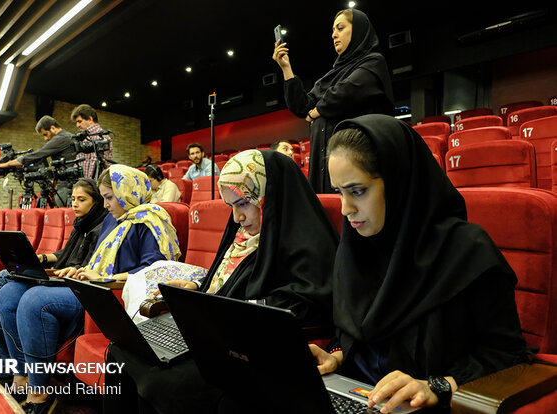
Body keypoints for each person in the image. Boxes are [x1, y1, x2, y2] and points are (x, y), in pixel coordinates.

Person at [309, 114, 527, 413]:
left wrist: (435, 385)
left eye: (358, 191)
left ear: (399, 182)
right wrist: (337, 356)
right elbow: (354, 331)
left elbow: (507, 356)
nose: (346, 209)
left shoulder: (467, 251)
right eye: (340, 192)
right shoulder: (356, 246)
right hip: (358, 397)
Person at [103, 149, 339, 413]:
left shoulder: (304, 242)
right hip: (211, 334)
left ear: (269, 196)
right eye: (231, 207)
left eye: (243, 204)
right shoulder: (242, 237)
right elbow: (224, 284)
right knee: (121, 350)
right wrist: (197, 290)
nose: (237, 218)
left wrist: (218, 314)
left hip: (246, 349)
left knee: (159, 383)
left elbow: (300, 305)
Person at [0, 165, 180, 413]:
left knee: (33, 300)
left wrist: (104, 277)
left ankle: (39, 393)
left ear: (128, 192)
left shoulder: (151, 220)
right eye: (104, 198)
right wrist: (79, 270)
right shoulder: (114, 219)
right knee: (8, 294)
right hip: (89, 282)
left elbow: (155, 271)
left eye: (109, 197)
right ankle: (22, 375)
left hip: (111, 293)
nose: (105, 205)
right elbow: (96, 260)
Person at [0, 178, 108, 387]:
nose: (74, 204)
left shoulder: (101, 227)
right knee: (1, 285)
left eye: (81, 200)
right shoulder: (80, 225)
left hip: (71, 282)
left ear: (97, 202)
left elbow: (87, 265)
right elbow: (65, 253)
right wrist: (42, 258)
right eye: (73, 198)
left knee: (1, 287)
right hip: (59, 273)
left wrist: (51, 269)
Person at [273, 9, 394, 194]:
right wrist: (286, 68)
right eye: (333, 30)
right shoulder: (331, 75)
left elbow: (348, 91)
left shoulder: (373, 62)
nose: (334, 35)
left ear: (359, 30)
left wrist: (316, 111)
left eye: (340, 28)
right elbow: (302, 106)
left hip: (355, 164)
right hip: (323, 167)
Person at [0, 116, 77, 207]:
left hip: (68, 185)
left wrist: (7, 164)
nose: (46, 139)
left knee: (61, 212)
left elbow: (37, 155)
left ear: (53, 128)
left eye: (45, 134)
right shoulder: (68, 136)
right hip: (67, 183)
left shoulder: (61, 138)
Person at [71, 104, 114, 179]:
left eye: (79, 121)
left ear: (90, 119)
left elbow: (96, 166)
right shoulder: (83, 137)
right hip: (82, 185)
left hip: (94, 185)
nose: (77, 125)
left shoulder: (103, 138)